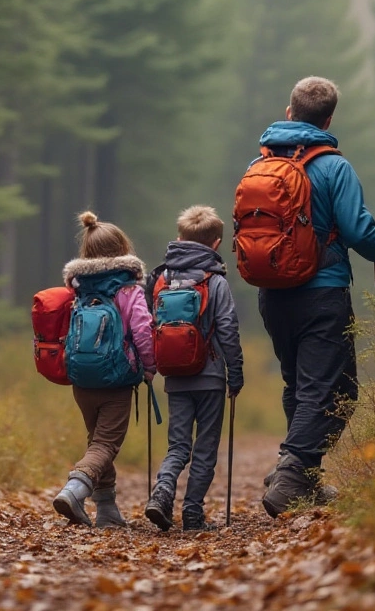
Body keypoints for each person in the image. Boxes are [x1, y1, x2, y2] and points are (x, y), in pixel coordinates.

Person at [254, 77, 375, 517]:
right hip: (321, 293)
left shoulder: (260, 163)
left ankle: (303, 477)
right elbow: (360, 233)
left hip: (273, 293)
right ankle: (292, 472)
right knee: (337, 390)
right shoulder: (334, 167)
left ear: (289, 113)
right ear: (328, 120)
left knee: (300, 385)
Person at [52, 211, 157, 528]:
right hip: (116, 380)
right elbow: (141, 330)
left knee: (97, 440)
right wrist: (150, 367)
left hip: (82, 380)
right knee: (106, 444)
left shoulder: (79, 289)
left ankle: (107, 510)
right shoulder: (129, 290)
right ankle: (74, 489)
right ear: (124, 250)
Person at [143, 206, 243, 532]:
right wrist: (236, 374)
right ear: (215, 245)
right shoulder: (215, 282)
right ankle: (192, 514)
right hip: (211, 376)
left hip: (175, 375)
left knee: (178, 446)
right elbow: (227, 329)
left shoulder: (160, 279)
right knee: (205, 447)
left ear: (179, 238)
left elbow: (150, 325)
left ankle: (161, 493)